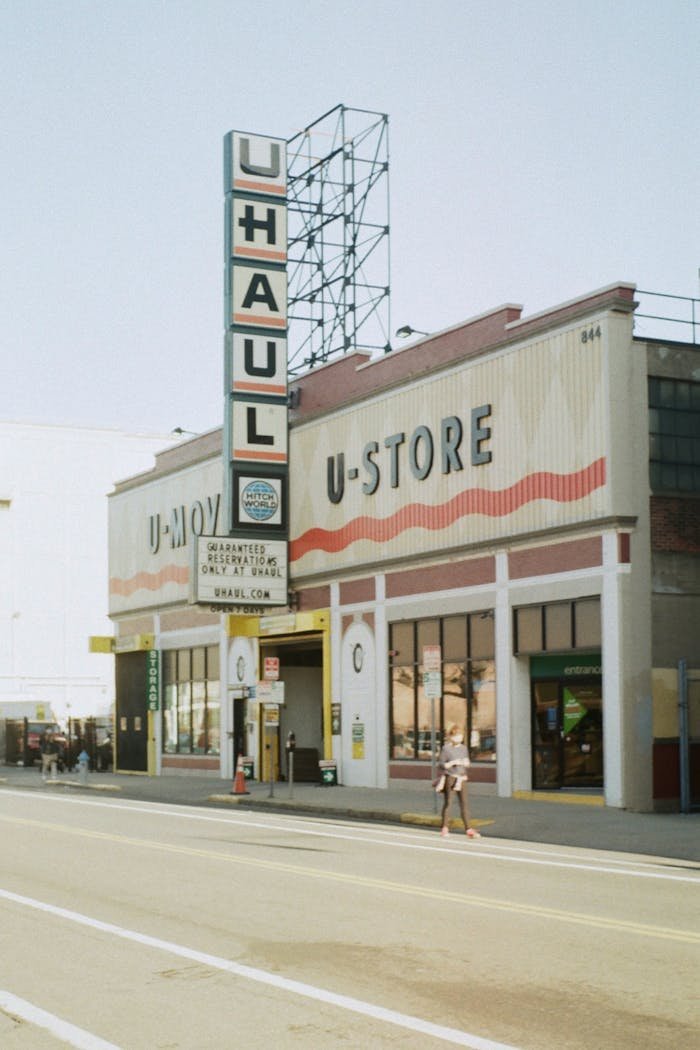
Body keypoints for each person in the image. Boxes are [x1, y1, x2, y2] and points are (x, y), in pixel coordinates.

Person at [436, 724, 481, 839]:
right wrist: (451, 763)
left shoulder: (463, 748)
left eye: (460, 736)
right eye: (456, 736)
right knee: (449, 803)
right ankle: (445, 828)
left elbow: (467, 761)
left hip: (461, 778)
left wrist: (466, 763)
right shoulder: (446, 749)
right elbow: (441, 764)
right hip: (450, 777)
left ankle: (468, 829)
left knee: (464, 804)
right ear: (451, 737)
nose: (459, 738)